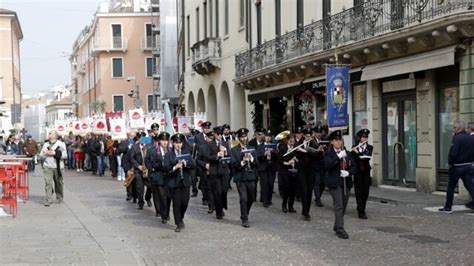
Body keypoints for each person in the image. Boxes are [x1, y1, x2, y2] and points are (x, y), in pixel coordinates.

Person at [324, 130, 357, 239]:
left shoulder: (346, 153)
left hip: (345, 182)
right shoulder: (328, 153)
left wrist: (348, 172)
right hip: (335, 183)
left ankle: (336, 225)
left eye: (340, 140)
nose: (338, 142)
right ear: (332, 142)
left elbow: (354, 167)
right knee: (339, 205)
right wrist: (338, 157)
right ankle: (340, 229)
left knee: (343, 205)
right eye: (336, 140)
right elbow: (327, 165)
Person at [439, 121, 474, 213]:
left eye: (454, 127)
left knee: (451, 186)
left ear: (458, 129)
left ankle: (448, 207)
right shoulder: (470, 138)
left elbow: (453, 153)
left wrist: (450, 162)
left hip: (457, 167)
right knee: (470, 186)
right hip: (468, 166)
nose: (453, 129)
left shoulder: (457, 138)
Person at [163, 133, 195, 232]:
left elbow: (193, 165)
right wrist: (174, 167)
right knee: (176, 203)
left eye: (180, 143)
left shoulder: (186, 153)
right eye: (176, 143)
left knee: (184, 202)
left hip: (185, 181)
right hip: (174, 182)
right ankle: (178, 223)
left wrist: (186, 163)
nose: (178, 145)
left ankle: (180, 217)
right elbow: (165, 167)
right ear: (173, 143)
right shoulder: (169, 154)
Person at [230, 128, 259, 228]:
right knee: (243, 198)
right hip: (240, 177)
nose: (244, 138)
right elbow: (233, 165)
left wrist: (251, 159)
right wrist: (242, 162)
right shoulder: (234, 150)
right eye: (242, 137)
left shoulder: (252, 148)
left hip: (251, 176)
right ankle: (244, 218)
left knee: (251, 198)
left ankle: (245, 212)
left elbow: (257, 164)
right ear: (239, 138)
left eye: (245, 136)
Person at [145, 131, 172, 222]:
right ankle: (162, 214)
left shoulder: (171, 150)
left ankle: (166, 212)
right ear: (159, 141)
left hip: (169, 176)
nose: (165, 142)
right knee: (159, 196)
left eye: (166, 140)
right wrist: (151, 169)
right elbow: (147, 160)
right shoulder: (152, 150)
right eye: (162, 140)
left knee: (168, 197)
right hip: (157, 175)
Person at [206, 126, 231, 219]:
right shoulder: (210, 144)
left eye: (221, 134)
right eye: (218, 134)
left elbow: (229, 156)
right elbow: (207, 156)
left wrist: (225, 153)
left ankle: (222, 206)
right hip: (214, 170)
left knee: (224, 190)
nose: (220, 136)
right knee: (217, 192)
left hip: (224, 170)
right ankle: (219, 211)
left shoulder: (225, 143)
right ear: (215, 134)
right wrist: (216, 156)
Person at [295, 128, 318, 221]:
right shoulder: (298, 144)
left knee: (309, 191)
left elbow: (316, 155)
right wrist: (299, 151)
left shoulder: (314, 144)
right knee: (304, 190)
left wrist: (308, 151)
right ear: (303, 136)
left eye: (310, 136)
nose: (309, 137)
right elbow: (295, 155)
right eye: (307, 136)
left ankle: (306, 210)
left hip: (311, 170)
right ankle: (305, 211)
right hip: (302, 170)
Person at [39, 130, 67, 206]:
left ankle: (59, 197)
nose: (49, 135)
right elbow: (41, 155)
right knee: (48, 183)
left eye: (50, 133)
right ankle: (49, 199)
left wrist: (55, 153)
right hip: (48, 166)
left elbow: (65, 155)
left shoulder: (61, 144)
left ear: (55, 136)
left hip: (57, 166)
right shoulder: (46, 144)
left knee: (59, 183)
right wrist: (46, 153)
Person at [351, 128, 374, 219]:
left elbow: (366, 158)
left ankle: (361, 207)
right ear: (359, 138)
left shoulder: (369, 147)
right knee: (359, 192)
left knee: (366, 192)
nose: (364, 139)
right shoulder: (354, 146)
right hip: (357, 172)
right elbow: (353, 159)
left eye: (366, 137)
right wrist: (355, 152)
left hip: (366, 172)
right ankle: (361, 211)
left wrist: (358, 152)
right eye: (363, 137)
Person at [130, 132, 152, 210]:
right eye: (140, 138)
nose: (142, 140)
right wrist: (138, 166)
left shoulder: (149, 146)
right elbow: (132, 158)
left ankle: (148, 198)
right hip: (138, 170)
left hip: (148, 170)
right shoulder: (134, 147)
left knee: (150, 186)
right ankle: (140, 202)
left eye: (143, 138)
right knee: (140, 187)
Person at [257, 130, 278, 208]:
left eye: (269, 136)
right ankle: (265, 201)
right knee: (264, 184)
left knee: (270, 184)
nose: (268, 138)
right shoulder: (260, 146)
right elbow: (257, 156)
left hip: (271, 167)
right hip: (263, 167)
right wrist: (264, 154)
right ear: (264, 137)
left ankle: (269, 199)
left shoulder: (273, 145)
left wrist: (272, 152)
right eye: (266, 136)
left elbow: (277, 155)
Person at [278, 134, 298, 213]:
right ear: (287, 140)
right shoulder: (283, 148)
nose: (292, 143)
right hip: (285, 171)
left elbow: (298, 157)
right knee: (286, 189)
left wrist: (296, 159)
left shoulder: (296, 148)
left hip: (294, 170)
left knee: (293, 190)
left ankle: (291, 206)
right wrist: (286, 163)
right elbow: (279, 160)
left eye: (293, 141)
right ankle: (284, 205)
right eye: (290, 141)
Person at [312, 125, 327, 207]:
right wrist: (318, 150)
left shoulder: (324, 140)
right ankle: (318, 199)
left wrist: (325, 148)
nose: (319, 134)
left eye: (320, 132)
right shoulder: (311, 141)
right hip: (315, 164)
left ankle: (318, 196)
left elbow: (328, 151)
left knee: (323, 183)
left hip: (323, 164)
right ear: (314, 133)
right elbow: (311, 152)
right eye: (317, 132)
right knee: (317, 182)